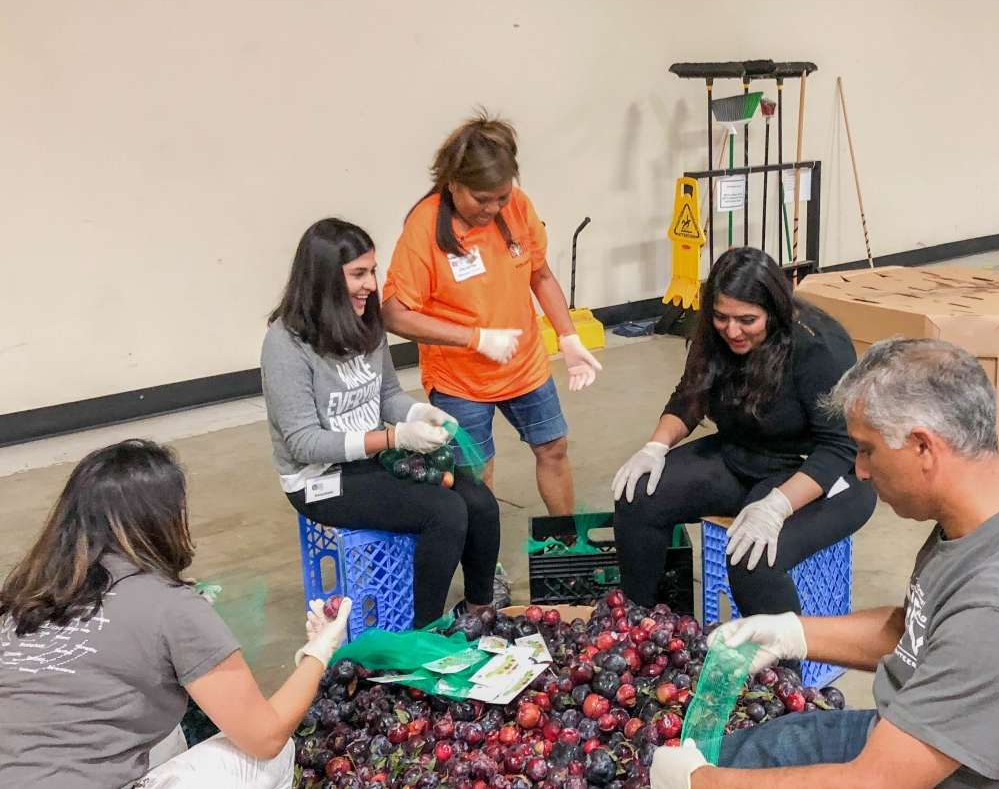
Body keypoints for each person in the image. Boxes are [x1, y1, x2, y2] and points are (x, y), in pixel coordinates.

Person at [651, 338, 999, 789]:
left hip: (975, 775)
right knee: (740, 753)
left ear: (924, 447)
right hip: (932, 733)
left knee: (718, 771)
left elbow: (875, 782)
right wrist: (792, 632)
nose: (859, 470)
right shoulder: (988, 515)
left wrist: (703, 783)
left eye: (866, 449)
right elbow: (923, 636)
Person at [0, 439, 352, 789]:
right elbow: (266, 738)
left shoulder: (24, 596)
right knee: (269, 757)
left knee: (164, 728)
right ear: (168, 520)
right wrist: (318, 652)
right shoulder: (172, 608)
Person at [612, 247, 877, 616]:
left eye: (747, 320)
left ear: (774, 311)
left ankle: (783, 672)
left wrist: (777, 506)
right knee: (638, 495)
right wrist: (655, 447)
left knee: (753, 560)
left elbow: (839, 447)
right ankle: (638, 625)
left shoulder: (817, 346)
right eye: (722, 317)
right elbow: (690, 395)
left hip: (821, 474)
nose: (732, 331)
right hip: (743, 454)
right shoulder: (716, 335)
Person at [262, 218, 500, 627]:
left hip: (375, 459)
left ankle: (478, 610)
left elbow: (386, 394)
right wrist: (393, 437)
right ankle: (421, 630)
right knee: (443, 513)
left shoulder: (365, 322)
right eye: (358, 274)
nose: (371, 284)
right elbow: (303, 443)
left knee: (478, 500)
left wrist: (417, 414)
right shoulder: (286, 343)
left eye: (372, 271)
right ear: (323, 279)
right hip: (321, 479)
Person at [381, 112, 601, 517]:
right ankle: (486, 568)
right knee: (475, 475)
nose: (495, 208)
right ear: (453, 183)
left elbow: (541, 273)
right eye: (482, 199)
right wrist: (476, 338)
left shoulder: (517, 207)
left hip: (525, 366)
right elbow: (394, 315)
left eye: (502, 196)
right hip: (460, 379)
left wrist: (569, 338)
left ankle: (567, 541)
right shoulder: (425, 228)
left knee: (553, 448)